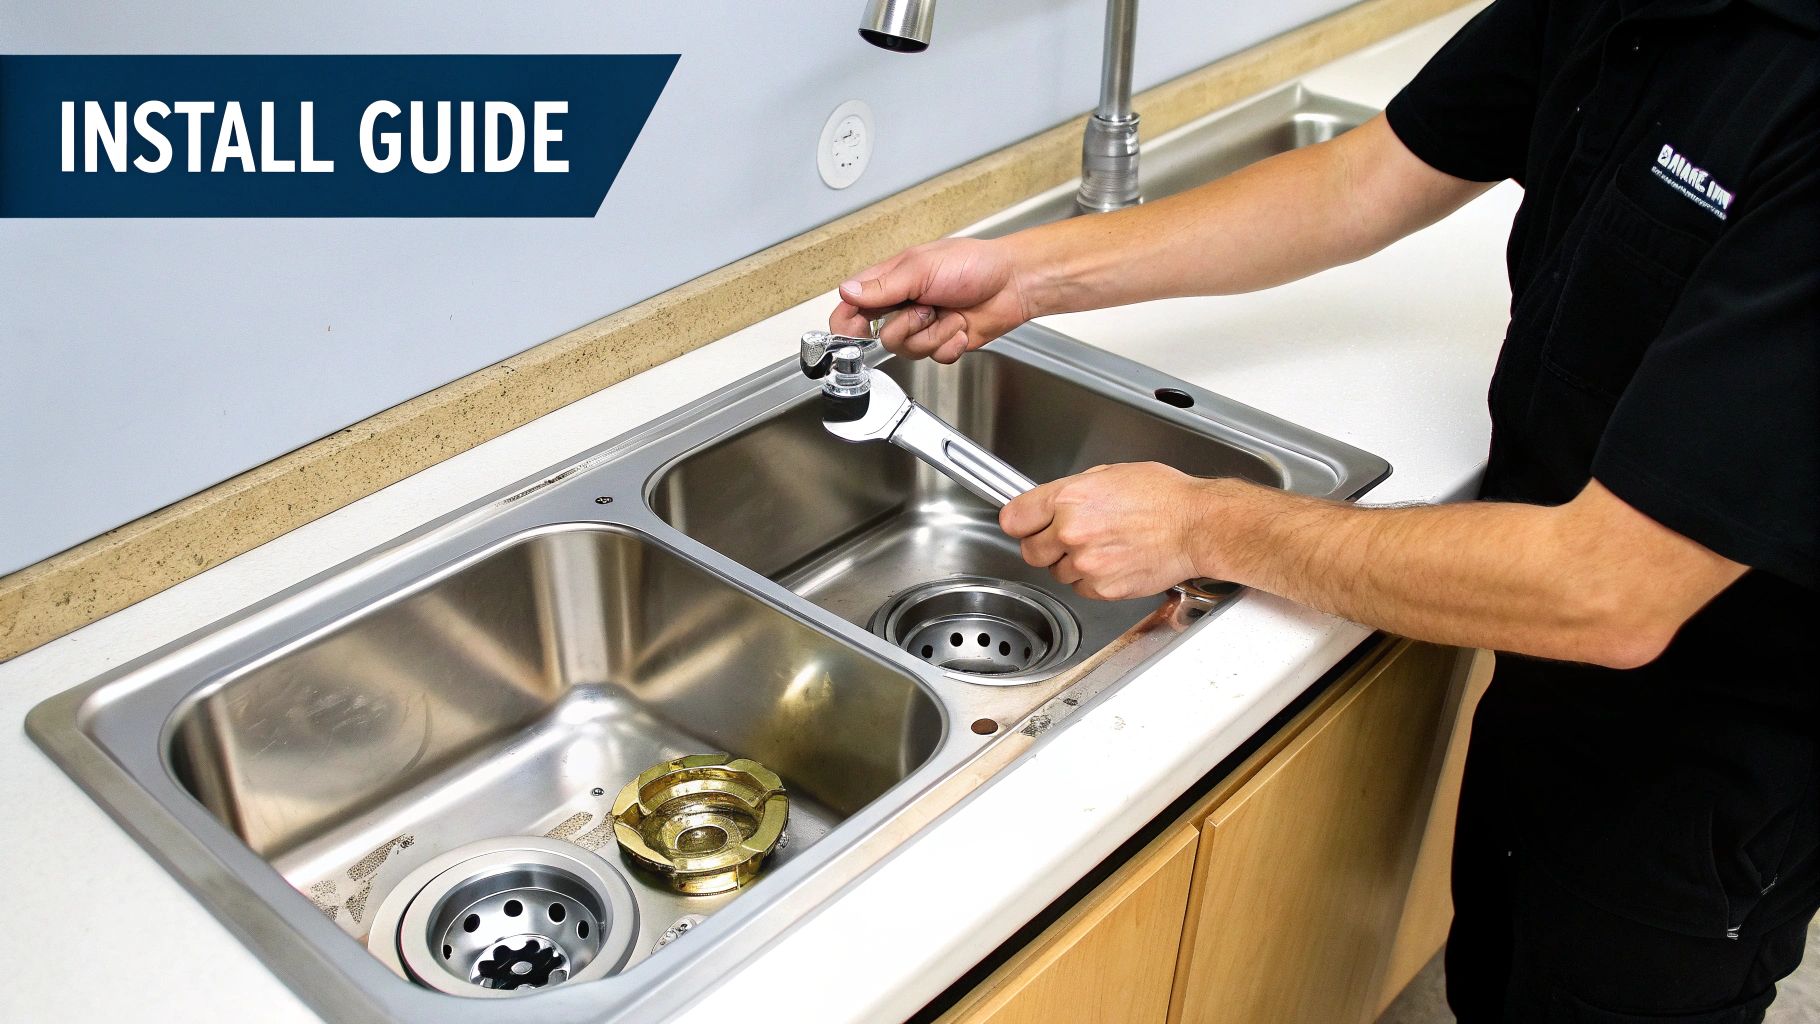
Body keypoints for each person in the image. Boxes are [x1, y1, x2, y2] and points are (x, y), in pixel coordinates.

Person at [827, 0, 1818, 1018]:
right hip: (1539, 664)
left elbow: (1606, 591)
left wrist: (1203, 524)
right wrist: (1028, 271)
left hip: (1717, 742)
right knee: (1502, 971)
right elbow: (1363, 180)